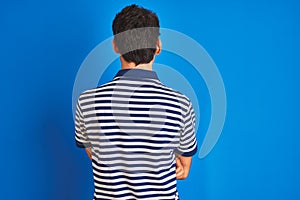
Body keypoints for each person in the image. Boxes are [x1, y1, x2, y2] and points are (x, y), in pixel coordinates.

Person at [75, 4, 198, 200]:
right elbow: (183, 169)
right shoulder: (181, 104)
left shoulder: (86, 102)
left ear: (116, 46)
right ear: (158, 46)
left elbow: (94, 153)